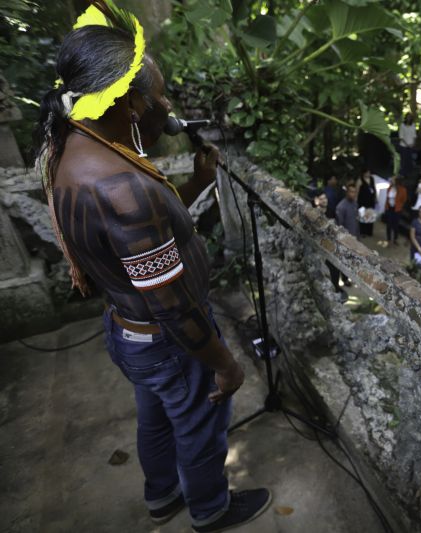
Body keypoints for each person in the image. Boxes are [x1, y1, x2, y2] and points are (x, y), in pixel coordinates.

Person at [35, 7, 270, 531]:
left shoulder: (76, 147)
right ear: (134, 101)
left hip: (127, 328)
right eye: (161, 95)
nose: (167, 105)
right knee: (201, 423)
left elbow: (140, 243)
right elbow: (169, 300)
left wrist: (196, 185)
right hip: (167, 338)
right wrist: (222, 362)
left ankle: (162, 496)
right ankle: (210, 509)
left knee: (158, 420)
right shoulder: (123, 189)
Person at [312, 190, 347, 301]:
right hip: (320, 250)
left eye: (325, 198)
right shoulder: (314, 214)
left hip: (332, 248)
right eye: (321, 199)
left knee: (335, 270)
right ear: (316, 201)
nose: (325, 200)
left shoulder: (331, 211)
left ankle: (335, 290)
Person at [384, 175, 407, 246]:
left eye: (393, 180)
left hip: (397, 210)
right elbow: (387, 198)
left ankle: (395, 239)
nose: (391, 181)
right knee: (388, 225)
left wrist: (399, 206)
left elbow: (404, 200)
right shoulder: (389, 188)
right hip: (389, 208)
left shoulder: (402, 190)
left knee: (395, 225)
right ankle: (388, 239)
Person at [356, 169, 377, 237]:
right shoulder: (360, 180)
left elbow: (374, 188)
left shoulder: (372, 179)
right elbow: (357, 191)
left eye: (369, 172)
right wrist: (356, 200)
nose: (368, 174)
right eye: (367, 172)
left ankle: (369, 231)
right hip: (363, 201)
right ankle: (363, 232)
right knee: (363, 216)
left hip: (370, 201)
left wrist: (376, 197)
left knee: (370, 215)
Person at [399, 113, 416, 177]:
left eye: (410, 117)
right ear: (406, 118)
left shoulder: (413, 125)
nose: (409, 118)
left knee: (410, 160)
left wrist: (413, 143)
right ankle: (403, 174)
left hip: (411, 146)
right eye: (408, 117)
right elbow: (401, 137)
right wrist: (407, 144)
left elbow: (414, 135)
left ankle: (409, 174)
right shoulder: (402, 125)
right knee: (404, 160)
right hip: (404, 146)